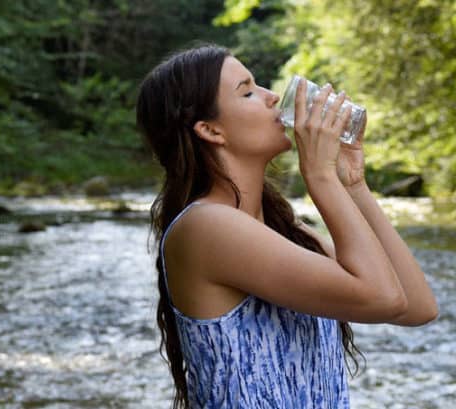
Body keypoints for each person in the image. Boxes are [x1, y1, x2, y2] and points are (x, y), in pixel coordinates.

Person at [136, 44, 438, 409]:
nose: (272, 97)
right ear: (210, 130)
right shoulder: (206, 226)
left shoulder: (282, 229)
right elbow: (382, 298)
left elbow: (417, 306)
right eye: (247, 91)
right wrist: (321, 177)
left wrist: (353, 185)